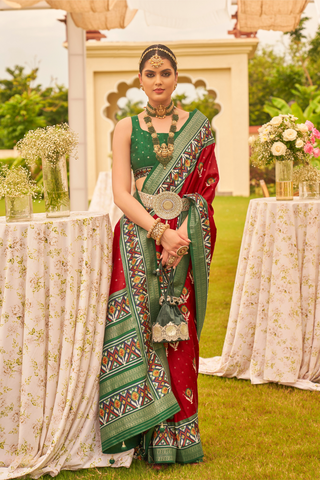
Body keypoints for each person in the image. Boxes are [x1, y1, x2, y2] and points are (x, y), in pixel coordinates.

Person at [99, 44, 219, 466]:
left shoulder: (199, 127)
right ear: (140, 80)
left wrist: (180, 236)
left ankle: (181, 438)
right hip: (138, 238)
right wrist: (159, 232)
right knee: (146, 327)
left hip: (185, 238)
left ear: (176, 76)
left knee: (178, 330)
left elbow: (205, 188)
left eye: (165, 72)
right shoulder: (125, 128)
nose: (158, 80)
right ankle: (147, 432)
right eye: (150, 74)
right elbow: (120, 193)